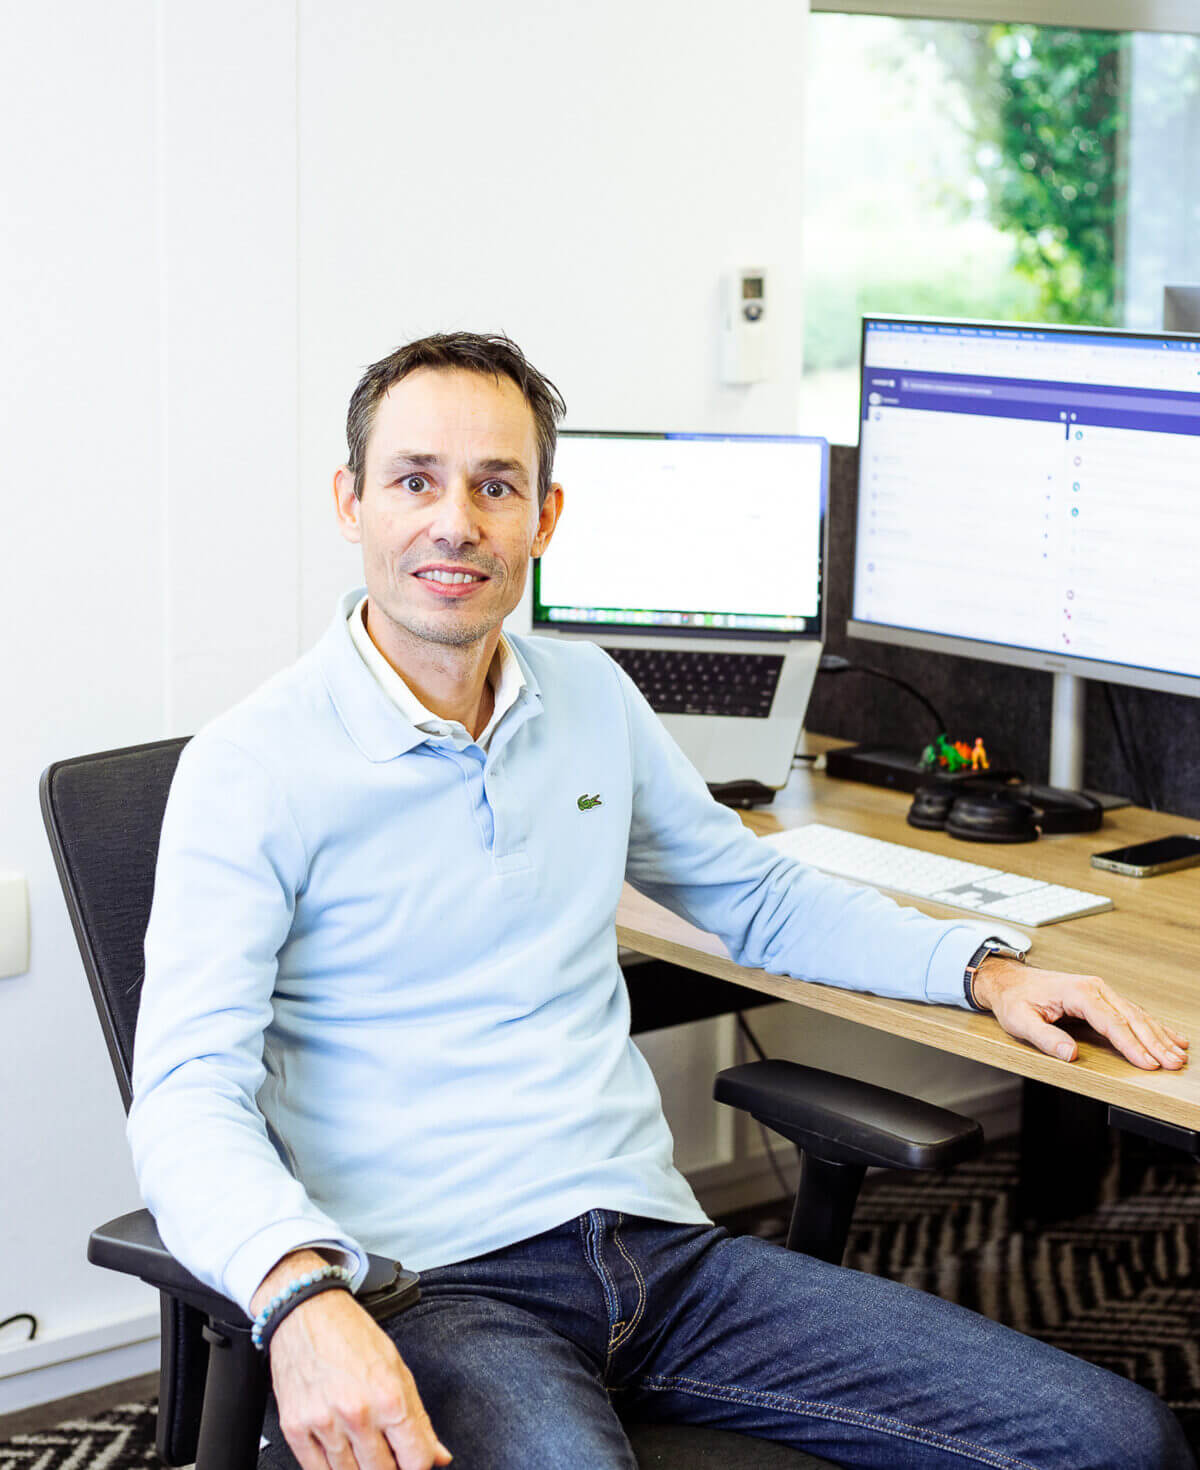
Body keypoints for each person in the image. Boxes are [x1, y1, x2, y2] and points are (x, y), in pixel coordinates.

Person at [127, 332, 1194, 1470]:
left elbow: (756, 897)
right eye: (415, 481)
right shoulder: (255, 765)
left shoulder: (588, 693)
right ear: (352, 502)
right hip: (427, 1285)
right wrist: (298, 1293)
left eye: (497, 487)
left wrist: (986, 972)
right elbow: (186, 1091)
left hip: (660, 1256)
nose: (456, 523)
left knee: (1116, 1443)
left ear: (545, 518)